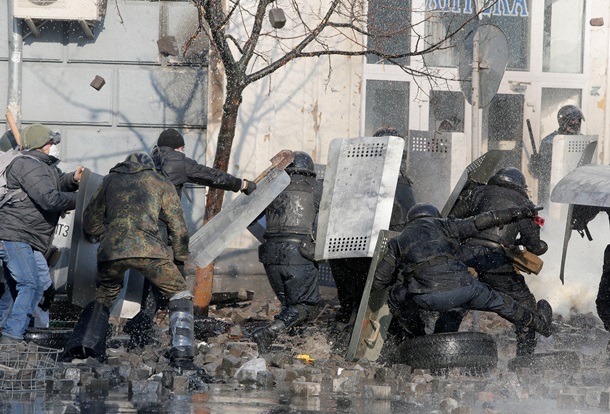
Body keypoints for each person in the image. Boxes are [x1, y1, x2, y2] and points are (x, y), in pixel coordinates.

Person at [124, 128, 257, 349]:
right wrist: (241, 184)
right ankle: (178, 340)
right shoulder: (178, 161)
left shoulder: (147, 161)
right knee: (175, 282)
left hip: (140, 232)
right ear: (179, 147)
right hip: (162, 232)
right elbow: (211, 175)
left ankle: (140, 331)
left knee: (155, 280)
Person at [62, 152, 197, 369]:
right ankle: (182, 355)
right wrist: (180, 257)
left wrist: (101, 235)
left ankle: (86, 348)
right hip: (150, 251)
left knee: (105, 295)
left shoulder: (110, 180)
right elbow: (178, 226)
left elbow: (90, 220)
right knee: (179, 292)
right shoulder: (160, 181)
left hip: (112, 251)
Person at [372, 203, 553, 340]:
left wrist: (402, 279)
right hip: (466, 291)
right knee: (501, 302)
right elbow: (484, 220)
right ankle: (539, 324)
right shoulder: (445, 225)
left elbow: (379, 280)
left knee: (397, 297)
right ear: (435, 217)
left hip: (425, 298)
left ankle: (417, 339)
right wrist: (519, 212)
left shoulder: (397, 241)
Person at [448, 167, 549, 356]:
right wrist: (522, 244)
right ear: (520, 185)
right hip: (497, 263)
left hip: (466, 257)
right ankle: (525, 356)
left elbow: (451, 220)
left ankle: (438, 351)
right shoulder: (526, 204)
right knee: (525, 306)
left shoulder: (476, 192)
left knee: (454, 303)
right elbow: (534, 246)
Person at [0, 124, 82, 344]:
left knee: (20, 287)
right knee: (29, 283)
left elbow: (56, 184)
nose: (53, 146)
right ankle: (12, 336)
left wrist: (73, 179)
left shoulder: (43, 165)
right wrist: (82, 200)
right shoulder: (27, 165)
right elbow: (50, 199)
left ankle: (5, 328)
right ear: (42, 145)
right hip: (15, 235)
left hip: (28, 237)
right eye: (50, 143)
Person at [328, 127, 416, 324]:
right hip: (378, 256)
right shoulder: (398, 184)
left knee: (354, 305)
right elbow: (406, 226)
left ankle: (345, 335)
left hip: (349, 254)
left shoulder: (353, 179)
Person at [251, 151, 320, 353]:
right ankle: (268, 332)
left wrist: (270, 238)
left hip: (270, 254)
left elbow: (248, 218)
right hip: (300, 253)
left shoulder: (271, 187)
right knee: (305, 305)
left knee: (288, 304)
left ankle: (292, 344)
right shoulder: (317, 187)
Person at [529, 105, 585, 207]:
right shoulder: (549, 142)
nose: (576, 123)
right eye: (573, 120)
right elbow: (543, 173)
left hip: (576, 191)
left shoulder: (585, 141)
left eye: (578, 120)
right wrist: (536, 165)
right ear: (563, 121)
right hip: (552, 191)